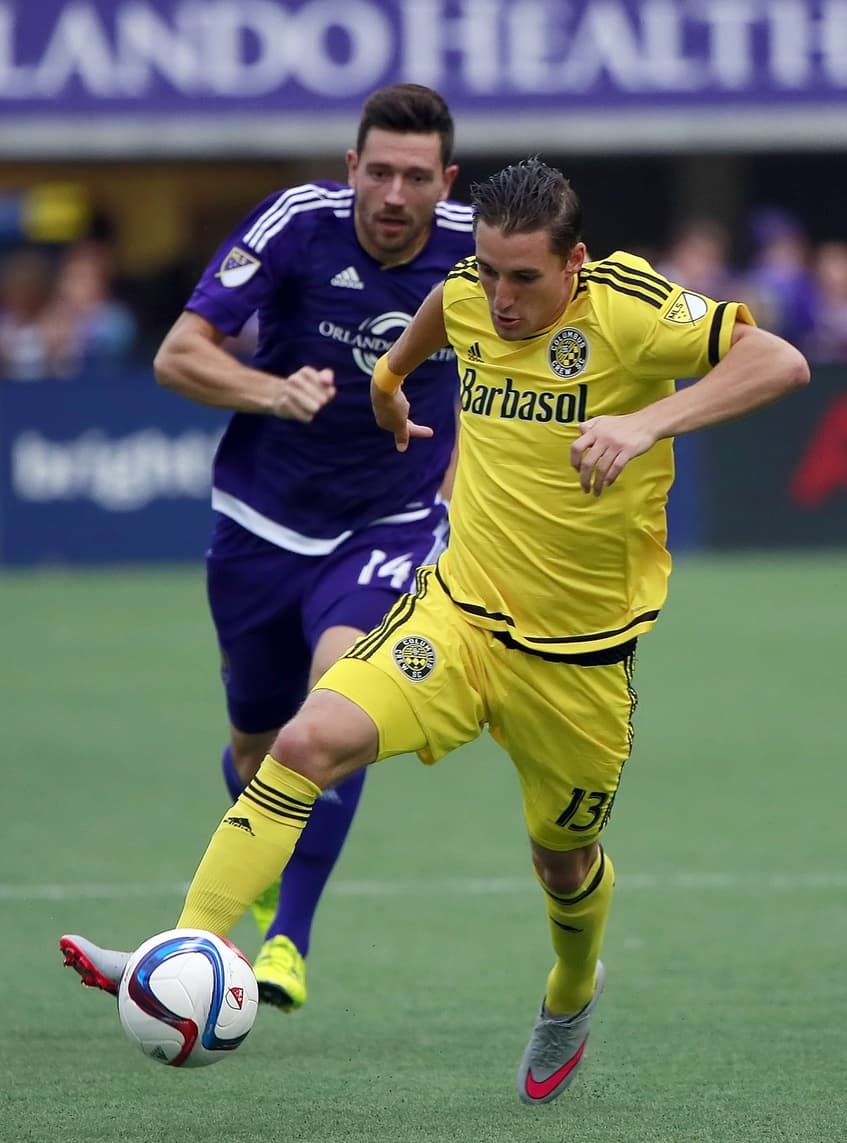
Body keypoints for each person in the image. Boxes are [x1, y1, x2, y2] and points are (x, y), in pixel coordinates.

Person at [60, 158, 809, 1102]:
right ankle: (191, 946)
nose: (497, 297)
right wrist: (388, 381)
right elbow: (433, 323)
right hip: (454, 616)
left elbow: (779, 361)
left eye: (523, 278)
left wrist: (646, 422)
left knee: (562, 860)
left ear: (574, 261)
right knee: (304, 739)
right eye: (487, 271)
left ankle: (571, 990)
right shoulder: (468, 291)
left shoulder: (627, 306)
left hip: (577, 665)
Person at [61, 84, 474, 1012]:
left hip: (392, 525)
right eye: (379, 172)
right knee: (255, 744)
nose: (395, 194)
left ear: (444, 181)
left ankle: (287, 939)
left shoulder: (479, 251)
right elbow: (178, 353)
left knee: (330, 714)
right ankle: (237, 894)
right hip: (261, 523)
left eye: (416, 176)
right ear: (351, 169)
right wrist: (270, 390)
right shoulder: (296, 223)